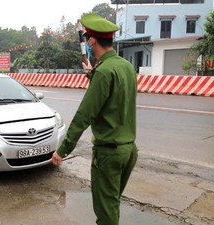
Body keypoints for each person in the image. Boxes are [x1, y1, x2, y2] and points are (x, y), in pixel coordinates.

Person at [51, 14, 138, 225]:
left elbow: (84, 116)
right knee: (112, 204)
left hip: (108, 154)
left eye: (88, 40)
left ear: (91, 41)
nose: (88, 44)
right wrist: (92, 74)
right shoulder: (125, 66)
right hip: (128, 151)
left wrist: (63, 150)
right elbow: (112, 94)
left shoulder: (104, 72)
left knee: (105, 214)